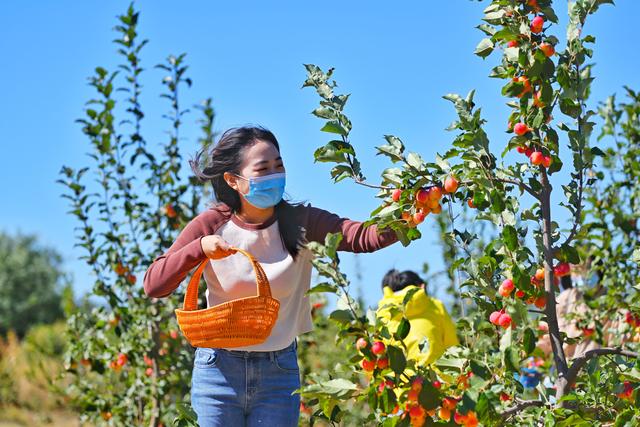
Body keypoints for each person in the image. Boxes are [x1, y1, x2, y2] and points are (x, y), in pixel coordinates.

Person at [143, 126, 400, 427]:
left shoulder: (302, 221)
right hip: (218, 371)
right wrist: (199, 248)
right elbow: (154, 283)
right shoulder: (213, 224)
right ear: (233, 180)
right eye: (263, 169)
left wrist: (409, 206)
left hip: (278, 372)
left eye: (279, 166)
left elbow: (364, 237)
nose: (275, 176)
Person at [376, 269, 458, 368]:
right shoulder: (436, 305)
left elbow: (372, 358)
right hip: (438, 380)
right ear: (421, 286)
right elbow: (452, 347)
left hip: (398, 382)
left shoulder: (380, 314)